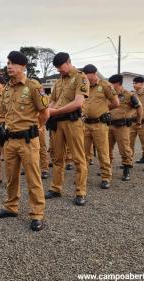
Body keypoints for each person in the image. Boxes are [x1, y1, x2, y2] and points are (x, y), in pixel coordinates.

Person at [0, 51, 49, 231]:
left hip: (28, 140)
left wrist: (36, 128)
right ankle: (11, 207)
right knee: (11, 177)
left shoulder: (33, 86)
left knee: (33, 178)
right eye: (8, 63)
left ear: (23, 67)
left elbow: (44, 113)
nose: (9, 66)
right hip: (10, 140)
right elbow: (6, 113)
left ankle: (37, 214)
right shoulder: (7, 88)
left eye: (14, 63)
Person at [44, 52, 89, 205]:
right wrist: (47, 112)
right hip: (57, 123)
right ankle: (56, 188)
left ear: (68, 62)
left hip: (72, 122)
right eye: (57, 68)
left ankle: (80, 192)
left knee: (78, 158)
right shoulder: (58, 82)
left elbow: (78, 103)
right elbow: (52, 101)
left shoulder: (81, 78)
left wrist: (54, 111)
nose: (59, 70)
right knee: (57, 157)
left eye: (60, 67)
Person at [82, 64, 119, 189]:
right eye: (84, 76)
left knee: (103, 152)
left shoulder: (105, 85)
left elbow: (115, 103)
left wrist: (103, 110)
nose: (86, 78)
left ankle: (106, 177)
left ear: (94, 74)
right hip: (86, 124)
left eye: (88, 76)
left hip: (99, 124)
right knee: (84, 152)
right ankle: (83, 177)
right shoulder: (84, 86)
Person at [108, 74, 142, 181]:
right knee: (106, 149)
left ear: (117, 83)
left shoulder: (129, 95)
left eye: (111, 84)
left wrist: (139, 121)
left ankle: (126, 169)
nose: (109, 86)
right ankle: (107, 170)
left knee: (124, 148)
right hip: (108, 125)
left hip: (122, 126)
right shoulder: (109, 94)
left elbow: (139, 108)